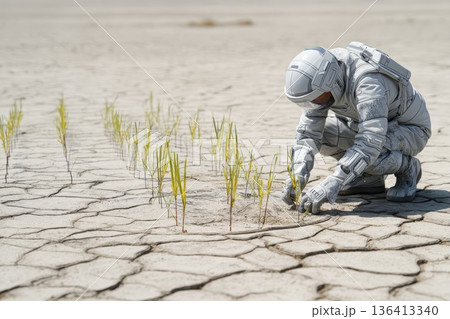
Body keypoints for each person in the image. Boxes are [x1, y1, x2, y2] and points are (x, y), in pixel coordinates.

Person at [282, 42, 431, 214]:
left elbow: (370, 144)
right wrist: (297, 176)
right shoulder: (321, 85)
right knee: (323, 136)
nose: (313, 105)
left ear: (332, 81)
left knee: (370, 156)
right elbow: (308, 134)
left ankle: (408, 168)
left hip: (409, 130)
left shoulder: (369, 83)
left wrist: (333, 182)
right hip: (368, 126)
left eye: (315, 99)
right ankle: (369, 180)